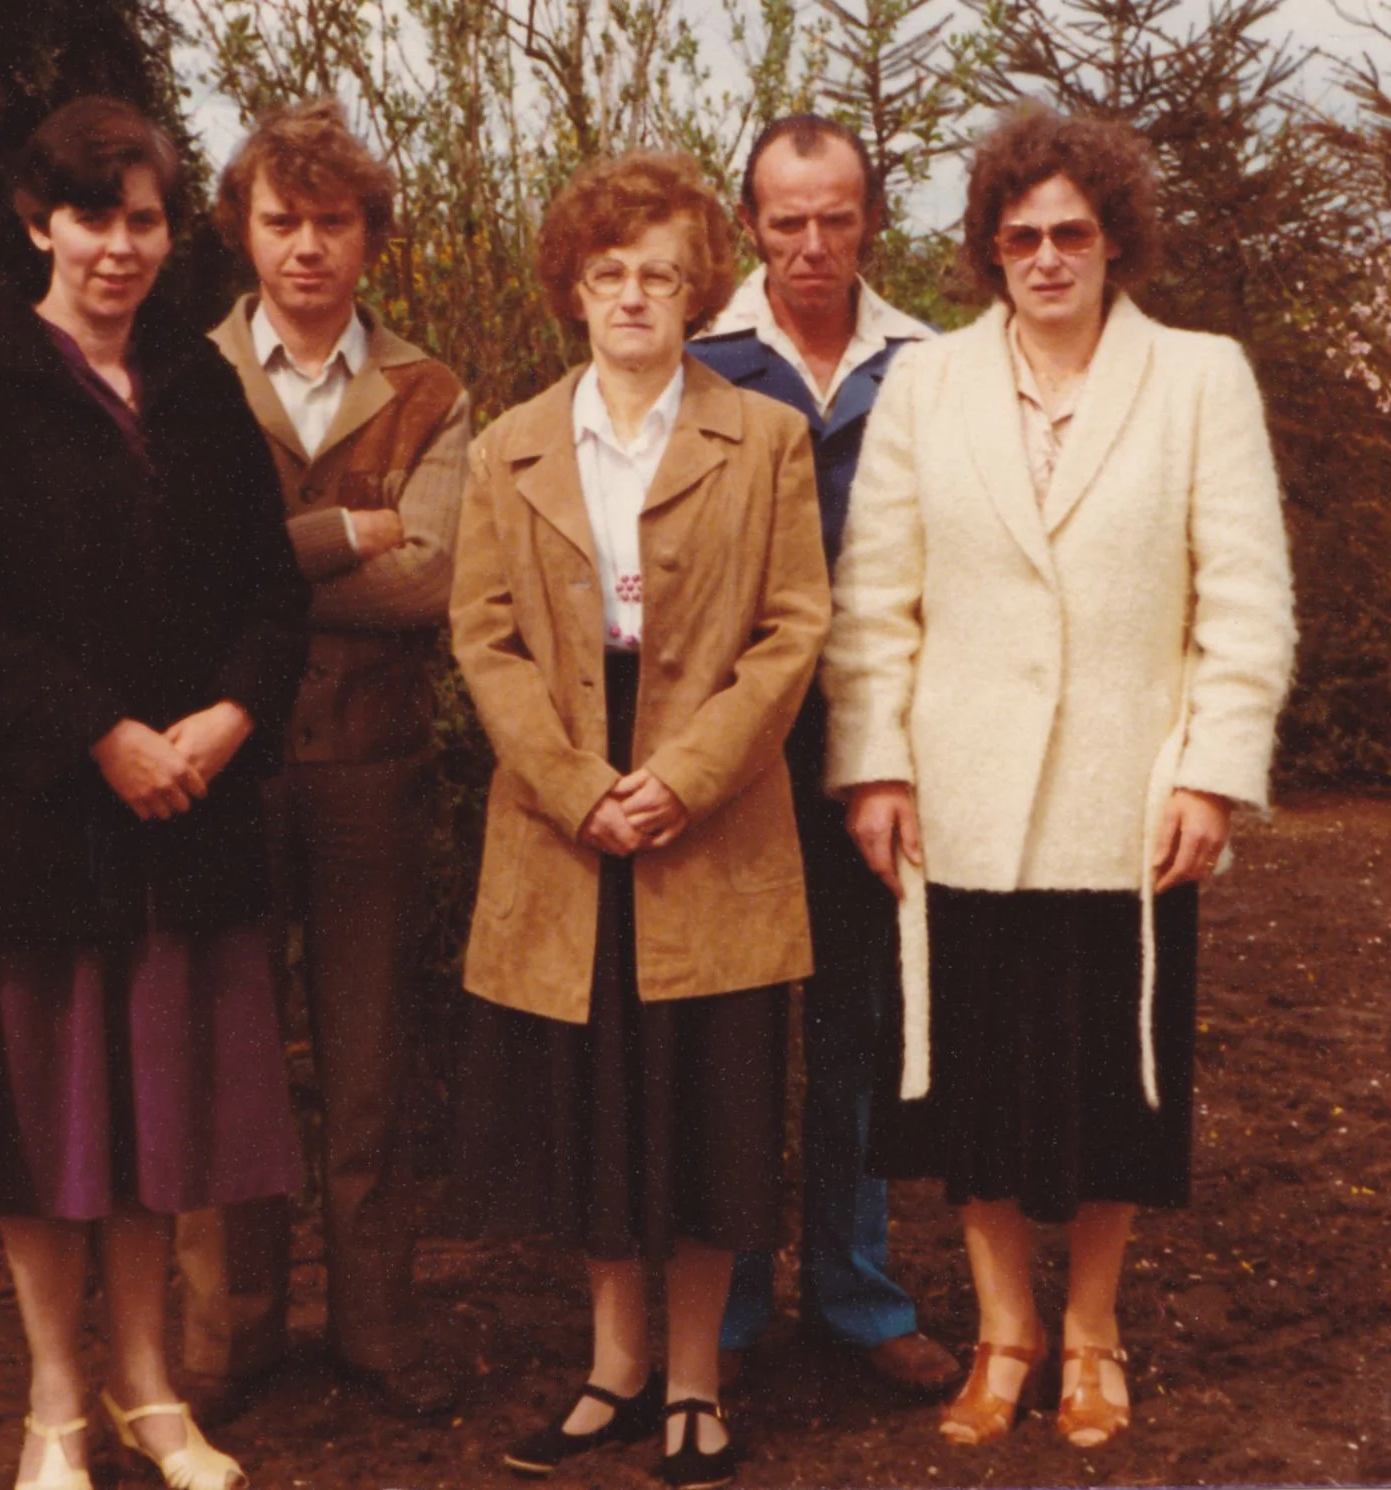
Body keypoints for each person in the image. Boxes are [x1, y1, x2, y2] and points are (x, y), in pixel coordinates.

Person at [822, 102, 1295, 1449]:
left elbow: (1244, 597)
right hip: (958, 800)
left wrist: (1211, 774)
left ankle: (1089, 1331)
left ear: (1112, 241)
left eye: (1070, 234)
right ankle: (1003, 1334)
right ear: (988, 246)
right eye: (1020, 235)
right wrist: (874, 767)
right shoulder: (925, 384)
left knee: (1109, 1085)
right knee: (967, 1083)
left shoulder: (1198, 378)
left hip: (1125, 802)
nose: (1044, 257)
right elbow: (874, 600)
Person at [0, 98, 309, 1490]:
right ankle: (55, 1404)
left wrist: (229, 719)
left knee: (149, 1127)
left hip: (185, 821)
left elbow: (272, 592)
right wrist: (100, 737)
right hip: (34, 830)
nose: (118, 246)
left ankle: (150, 1389)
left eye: (142, 219)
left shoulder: (199, 385)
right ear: (38, 225)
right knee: (46, 1134)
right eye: (90, 217)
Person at [448, 151, 829, 1488]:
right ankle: (611, 1371)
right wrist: (573, 786)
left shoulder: (764, 438)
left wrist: (689, 772)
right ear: (571, 287)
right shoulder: (506, 446)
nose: (631, 295)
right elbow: (483, 636)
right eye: (607, 272)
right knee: (597, 1101)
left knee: (707, 1100)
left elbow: (794, 626)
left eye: (659, 274)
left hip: (707, 802)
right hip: (563, 807)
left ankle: (694, 1381)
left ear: (697, 291)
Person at [172, 97, 469, 1417]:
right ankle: (227, 1338)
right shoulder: (182, 377)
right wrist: (356, 529)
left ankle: (379, 1330)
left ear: (368, 235)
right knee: (224, 1059)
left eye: (332, 221)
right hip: (219, 769)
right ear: (241, 230)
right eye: (282, 219)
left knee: (369, 1062)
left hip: (371, 764)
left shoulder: (428, 389)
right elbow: (171, 576)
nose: (307, 246)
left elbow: (439, 578)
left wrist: (252, 571)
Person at [689, 113, 957, 1397]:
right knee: (735, 1031)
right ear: (749, 221)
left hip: (875, 749)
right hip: (732, 747)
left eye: (835, 218)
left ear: (871, 219)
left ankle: (856, 1294)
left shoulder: (930, 368)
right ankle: (727, 1308)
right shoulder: (699, 362)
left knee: (862, 1021)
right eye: (785, 220)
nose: (810, 244)